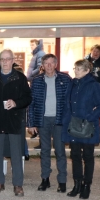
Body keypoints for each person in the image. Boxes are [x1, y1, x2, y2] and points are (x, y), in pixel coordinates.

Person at [0, 49, 32, 196]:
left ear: (12, 60)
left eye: (7, 59)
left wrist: (16, 103)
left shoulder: (20, 78)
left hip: (14, 121)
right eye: (2, 59)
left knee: (16, 154)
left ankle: (18, 185)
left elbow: (28, 98)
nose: (5, 62)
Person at [61, 59, 100, 199]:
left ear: (87, 71)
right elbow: (66, 104)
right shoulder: (72, 84)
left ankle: (86, 186)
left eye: (79, 69)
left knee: (88, 156)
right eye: (75, 68)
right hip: (73, 125)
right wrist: (65, 120)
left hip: (88, 126)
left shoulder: (94, 85)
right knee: (75, 156)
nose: (76, 71)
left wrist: (89, 117)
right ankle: (77, 185)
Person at [27, 54, 72, 192]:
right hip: (43, 120)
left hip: (59, 120)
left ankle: (62, 181)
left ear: (56, 64)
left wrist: (69, 121)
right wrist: (31, 123)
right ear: (42, 65)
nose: (49, 66)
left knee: (60, 151)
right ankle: (45, 179)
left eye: (52, 63)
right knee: (45, 151)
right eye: (46, 63)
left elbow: (70, 102)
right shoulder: (37, 80)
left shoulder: (65, 79)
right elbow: (31, 103)